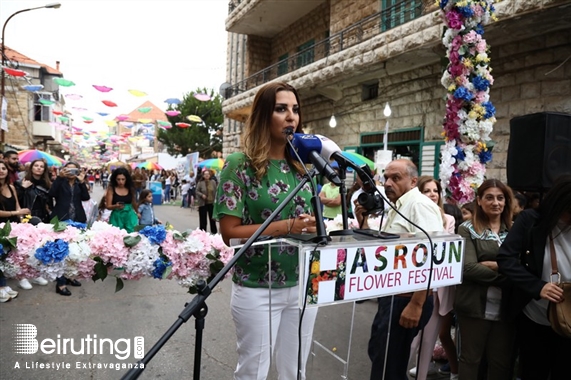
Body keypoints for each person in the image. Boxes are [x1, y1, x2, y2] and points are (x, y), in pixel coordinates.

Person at [213, 82, 318, 380]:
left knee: (295, 371)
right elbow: (231, 233)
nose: (291, 117)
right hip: (257, 287)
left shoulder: (302, 167)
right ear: (262, 115)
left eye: (295, 110)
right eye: (281, 109)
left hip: (302, 284)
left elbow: (308, 221)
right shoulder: (239, 165)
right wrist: (287, 226)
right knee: (253, 372)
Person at [368, 159, 443, 380]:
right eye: (386, 178)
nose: (388, 183)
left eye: (396, 178)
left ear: (413, 181)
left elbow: (432, 255)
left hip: (408, 298)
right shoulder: (399, 204)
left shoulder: (418, 205)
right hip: (392, 297)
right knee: (382, 357)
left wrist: (416, 303)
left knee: (390, 367)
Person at [497, 175, 571, 379]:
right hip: (535, 316)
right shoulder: (531, 220)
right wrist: (538, 287)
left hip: (570, 317)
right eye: (567, 212)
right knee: (533, 370)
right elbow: (506, 259)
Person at [455, 179, 516, 380]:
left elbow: (525, 267)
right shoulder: (467, 228)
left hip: (507, 307)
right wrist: (511, 273)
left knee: (501, 363)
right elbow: (468, 268)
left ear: (506, 201)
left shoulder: (515, 230)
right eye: (489, 197)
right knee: (470, 361)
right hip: (474, 306)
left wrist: (497, 265)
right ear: (479, 201)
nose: (495, 202)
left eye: (500, 198)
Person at [48, 161, 90, 296]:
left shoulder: (79, 183)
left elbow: (86, 197)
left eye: (74, 170)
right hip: (61, 219)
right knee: (61, 250)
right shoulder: (60, 182)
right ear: (64, 170)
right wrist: (59, 178)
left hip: (77, 219)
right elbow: (51, 194)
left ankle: (70, 276)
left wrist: (83, 182)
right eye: (68, 170)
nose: (71, 173)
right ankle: (60, 283)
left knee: (74, 250)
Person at [15, 159, 52, 290]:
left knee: (38, 248)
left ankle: (35, 274)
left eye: (41, 166)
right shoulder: (22, 182)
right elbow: (16, 201)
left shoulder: (47, 184)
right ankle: (22, 277)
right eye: (36, 165)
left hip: (41, 218)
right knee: (23, 249)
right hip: (26, 218)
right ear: (31, 168)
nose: (38, 168)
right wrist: (22, 189)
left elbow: (49, 203)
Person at [106, 167, 139, 233]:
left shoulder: (130, 188)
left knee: (132, 235)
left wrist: (137, 212)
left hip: (129, 215)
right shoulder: (111, 189)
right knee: (116, 236)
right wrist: (115, 206)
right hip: (117, 216)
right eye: (118, 179)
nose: (121, 182)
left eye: (123, 179)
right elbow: (108, 206)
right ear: (115, 179)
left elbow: (134, 202)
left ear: (126, 179)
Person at [196, 169, 218, 234]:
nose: (206, 175)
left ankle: (214, 231)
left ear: (210, 175)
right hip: (203, 203)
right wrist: (202, 195)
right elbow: (196, 191)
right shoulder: (200, 183)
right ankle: (203, 232)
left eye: (208, 174)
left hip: (211, 202)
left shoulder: (213, 182)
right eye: (205, 174)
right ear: (203, 175)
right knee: (203, 219)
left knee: (212, 218)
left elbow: (216, 191)